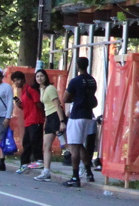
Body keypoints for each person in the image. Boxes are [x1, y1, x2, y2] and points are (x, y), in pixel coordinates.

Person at [62, 58, 98, 188]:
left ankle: (75, 176)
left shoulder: (75, 81)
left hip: (76, 115)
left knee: (74, 146)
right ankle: (89, 172)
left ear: (77, 66)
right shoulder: (92, 80)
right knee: (80, 144)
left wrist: (74, 98)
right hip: (88, 114)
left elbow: (65, 98)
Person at [14, 72, 45, 175]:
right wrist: (19, 105)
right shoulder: (23, 92)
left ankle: (39, 159)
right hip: (28, 120)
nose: (16, 82)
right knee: (26, 143)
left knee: (35, 141)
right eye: (14, 81)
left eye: (18, 80)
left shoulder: (30, 90)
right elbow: (26, 106)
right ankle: (24, 163)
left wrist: (44, 115)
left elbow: (38, 103)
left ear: (23, 80)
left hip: (35, 120)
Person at [35, 68, 64, 180]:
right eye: (37, 76)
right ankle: (46, 171)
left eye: (42, 76)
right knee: (46, 146)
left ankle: (82, 166)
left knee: (66, 144)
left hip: (56, 117)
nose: (39, 78)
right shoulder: (42, 89)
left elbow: (57, 105)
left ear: (46, 77)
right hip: (49, 118)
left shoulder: (50, 88)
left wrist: (61, 121)